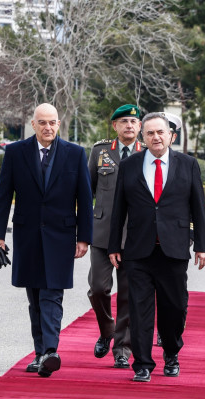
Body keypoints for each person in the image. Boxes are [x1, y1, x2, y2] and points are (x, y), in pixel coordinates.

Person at [0, 103, 93, 377]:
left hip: (61, 236)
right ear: (33, 125)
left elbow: (85, 199)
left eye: (53, 122)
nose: (48, 127)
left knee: (52, 294)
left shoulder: (75, 154)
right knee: (35, 297)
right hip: (27, 236)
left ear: (58, 124)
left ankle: (50, 350)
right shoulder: (15, 152)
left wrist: (84, 237)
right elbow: (3, 197)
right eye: (43, 122)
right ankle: (40, 354)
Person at [107, 112, 205, 383]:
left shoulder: (187, 165)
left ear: (171, 136)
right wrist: (114, 245)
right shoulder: (130, 165)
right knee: (139, 310)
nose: (155, 137)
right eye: (150, 133)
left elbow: (198, 208)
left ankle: (172, 353)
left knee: (174, 307)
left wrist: (202, 245)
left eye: (160, 132)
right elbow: (119, 208)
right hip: (138, 250)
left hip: (174, 250)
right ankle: (142, 363)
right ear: (143, 136)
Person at [87, 104, 142, 369]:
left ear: (140, 126)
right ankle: (107, 330)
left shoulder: (148, 154)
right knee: (98, 288)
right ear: (115, 127)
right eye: (124, 121)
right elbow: (88, 192)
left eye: (133, 121)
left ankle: (123, 348)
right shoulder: (100, 152)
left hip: (134, 236)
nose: (129, 125)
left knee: (128, 294)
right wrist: (82, 231)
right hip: (102, 232)